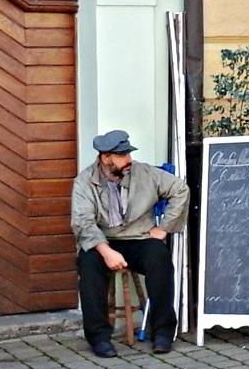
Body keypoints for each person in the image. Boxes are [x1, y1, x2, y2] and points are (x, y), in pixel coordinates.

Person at [72, 130, 189, 357]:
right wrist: (105, 252)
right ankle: (98, 337)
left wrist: (164, 228)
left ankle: (163, 332)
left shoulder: (144, 173)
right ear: (106, 158)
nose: (129, 160)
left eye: (128, 154)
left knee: (159, 256)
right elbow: (83, 223)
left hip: (138, 238)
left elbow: (180, 190)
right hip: (103, 241)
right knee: (88, 264)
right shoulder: (84, 182)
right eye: (122, 155)